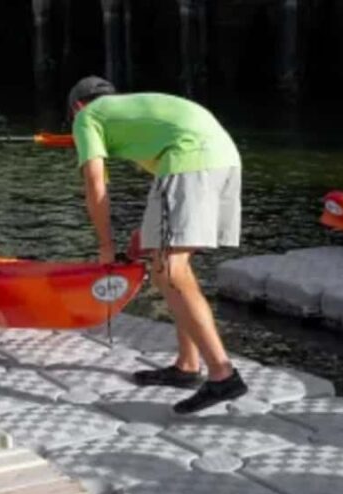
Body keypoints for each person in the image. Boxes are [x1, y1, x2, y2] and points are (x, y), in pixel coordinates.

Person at [67, 75, 248, 414]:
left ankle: (223, 375)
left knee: (168, 272)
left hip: (190, 159)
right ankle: (187, 366)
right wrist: (146, 233)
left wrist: (105, 246)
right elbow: (168, 193)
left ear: (77, 106)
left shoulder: (85, 117)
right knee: (174, 267)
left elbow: (95, 185)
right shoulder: (130, 111)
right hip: (223, 157)